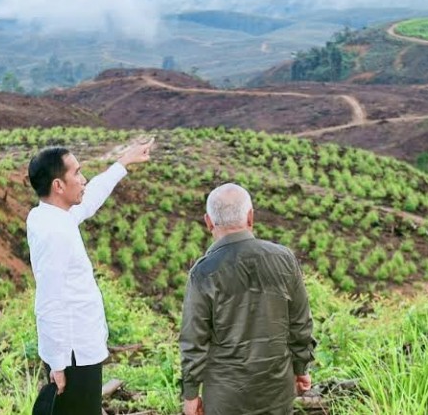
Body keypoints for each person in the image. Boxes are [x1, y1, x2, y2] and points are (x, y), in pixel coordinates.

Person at [26, 138, 154, 415]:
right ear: (58, 185)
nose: (83, 179)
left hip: (76, 349)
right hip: (72, 354)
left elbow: (90, 199)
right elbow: (49, 301)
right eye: (77, 173)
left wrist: (123, 162)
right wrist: (57, 364)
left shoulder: (51, 215)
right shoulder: (54, 232)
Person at [180, 183, 316, 415]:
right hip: (277, 390)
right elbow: (300, 323)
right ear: (251, 217)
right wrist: (301, 367)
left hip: (226, 397)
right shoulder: (283, 259)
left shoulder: (204, 272)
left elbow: (194, 339)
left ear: (208, 222)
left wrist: (190, 393)